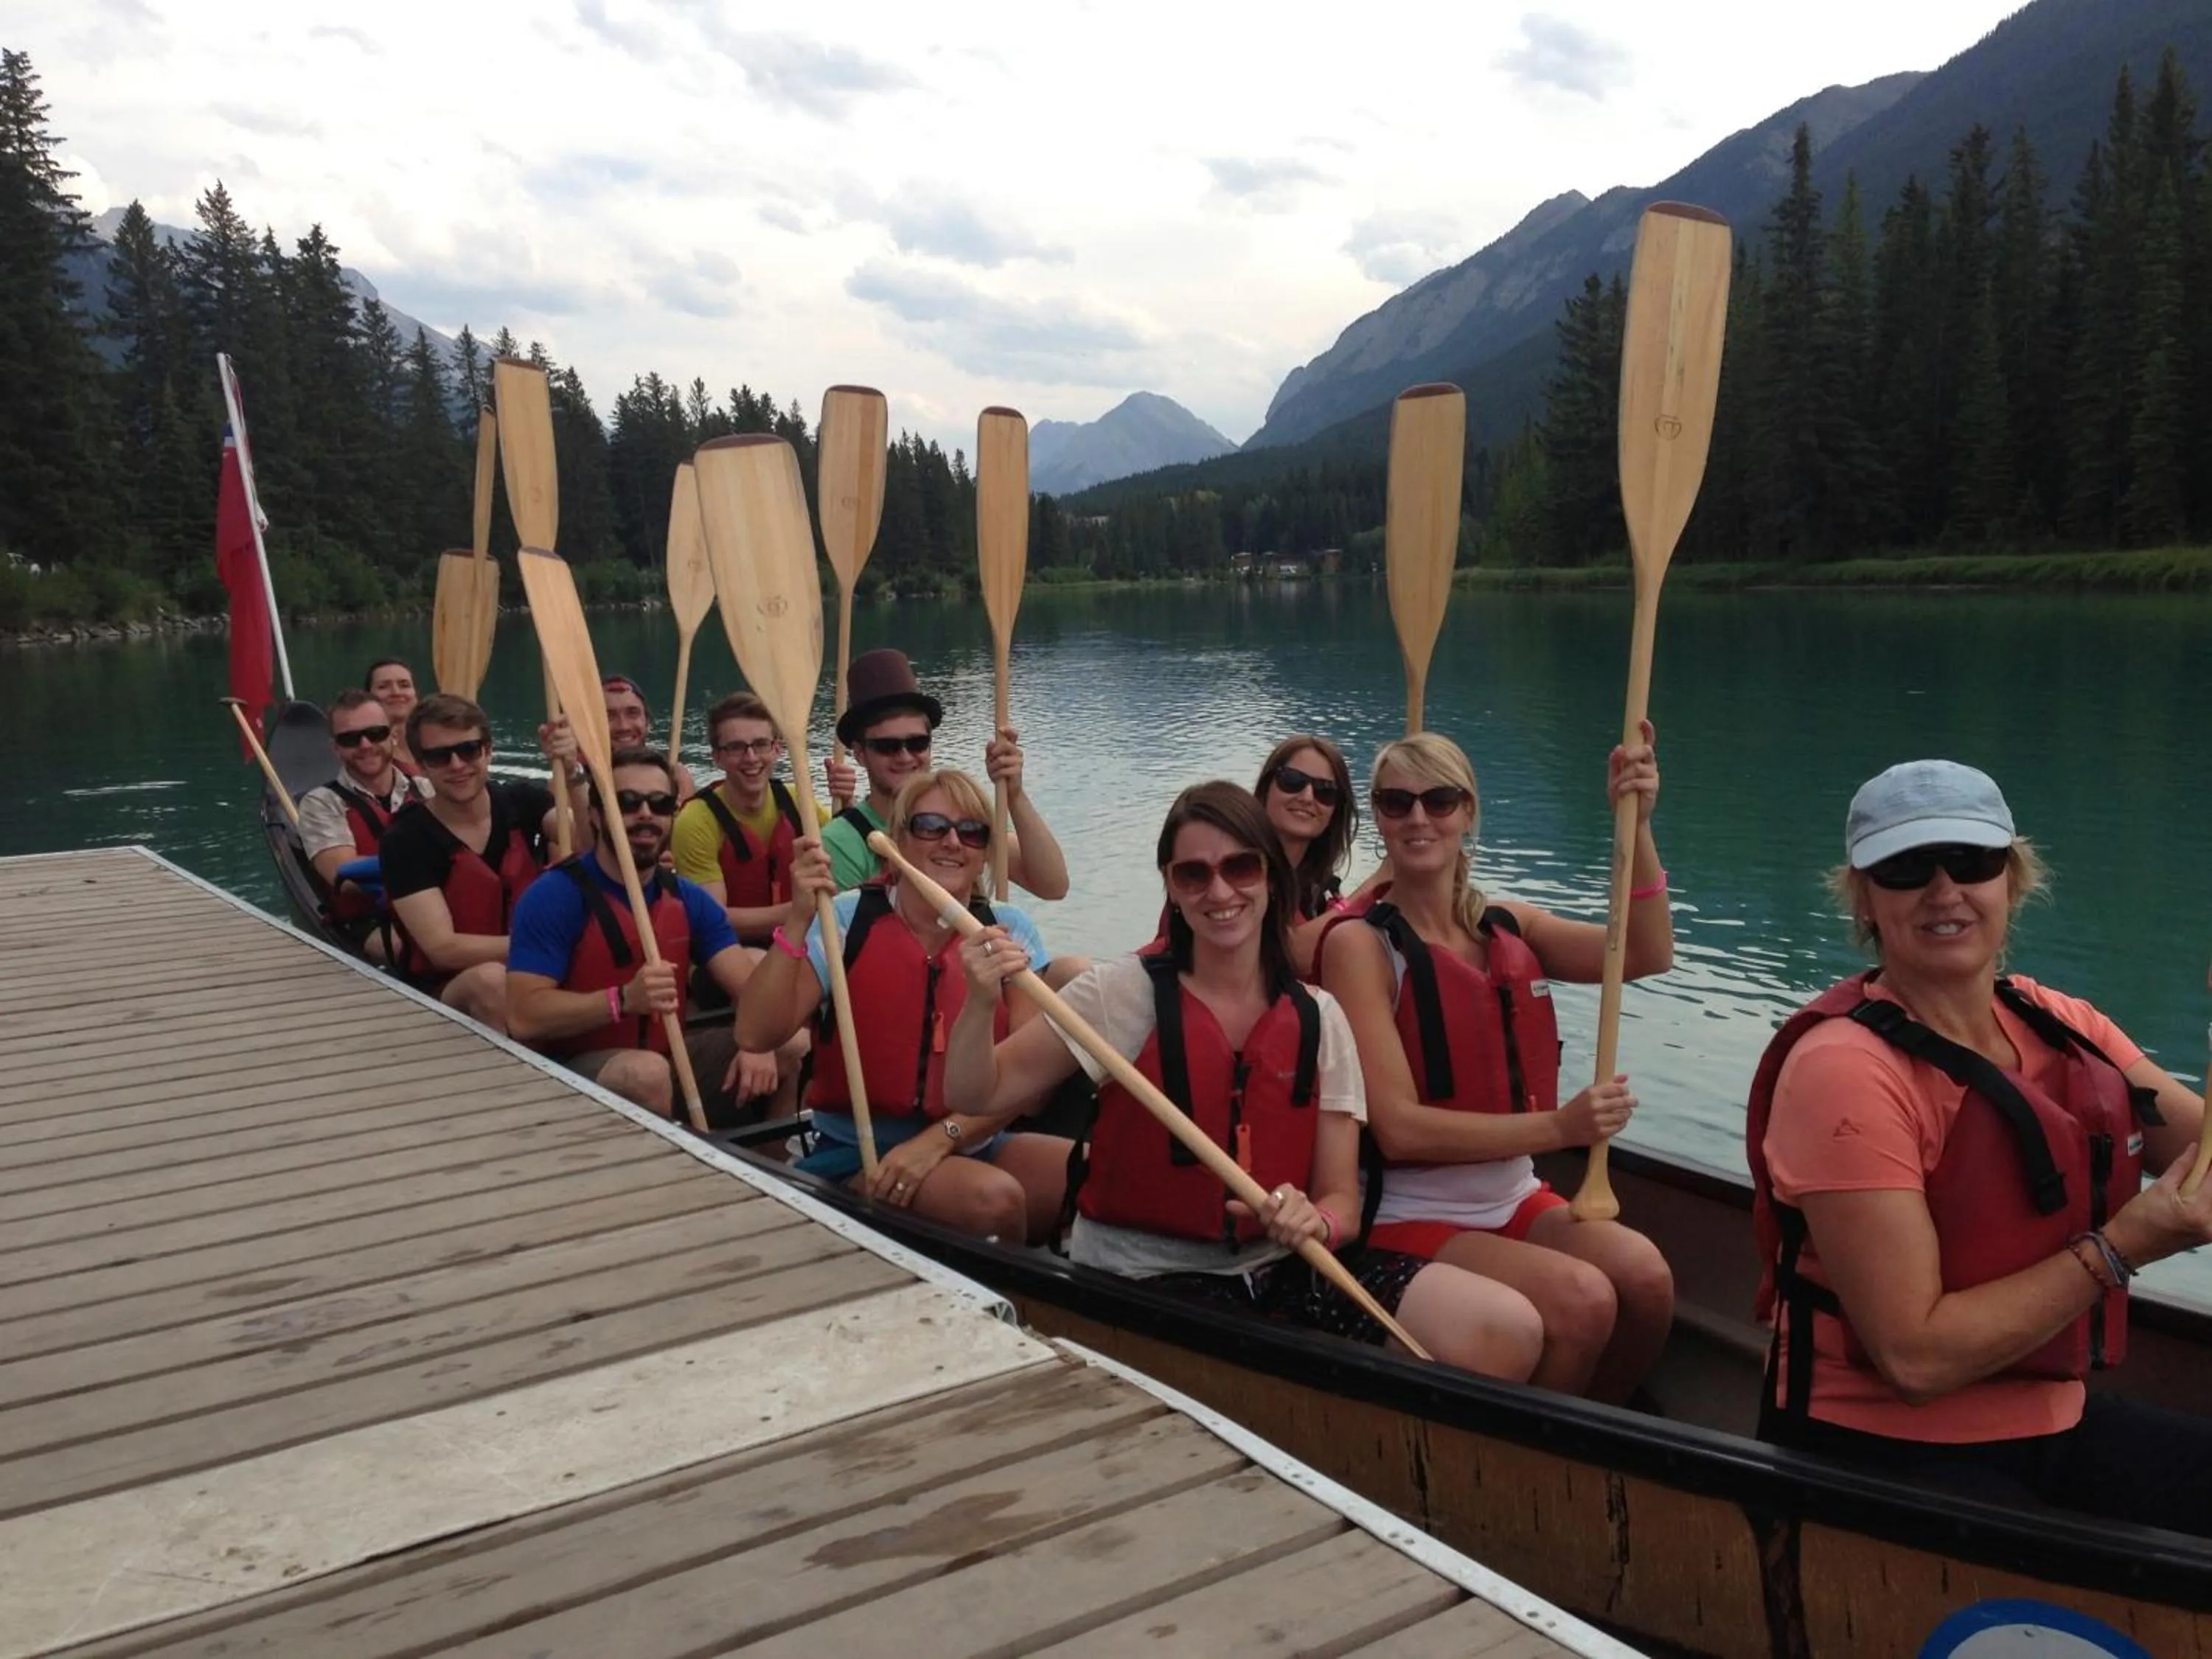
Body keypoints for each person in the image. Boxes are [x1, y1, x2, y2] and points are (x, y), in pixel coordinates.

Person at [943, 779, 1545, 1379]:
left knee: (1505, 1326)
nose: (1221, 891)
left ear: (1271, 878)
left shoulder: (1319, 1016)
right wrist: (977, 1003)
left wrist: (1321, 1221)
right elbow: (978, 1094)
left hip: (1279, 1270)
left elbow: (1342, 1200)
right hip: (1141, 1278)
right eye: (1193, 875)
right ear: (1172, 890)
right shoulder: (1122, 994)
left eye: (1241, 867)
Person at [1747, 759, 2212, 1534]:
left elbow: (2199, 1154)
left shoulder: (2059, 1020)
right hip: (1876, 1448)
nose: (1943, 891)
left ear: (2012, 878)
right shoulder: (1844, 1072)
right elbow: (1915, 1359)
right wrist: (2122, 1248)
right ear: (1863, 898)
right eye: (1904, 869)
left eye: (1971, 861)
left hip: (2051, 1420)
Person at [1317, 729, 1676, 1405]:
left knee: (1647, 1278)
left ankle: (1602, 1425)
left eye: (1439, 799)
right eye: (1397, 803)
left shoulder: (1510, 926)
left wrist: (1639, 823)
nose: (1419, 818)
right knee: (1582, 1301)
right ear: (1379, 819)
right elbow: (1399, 1131)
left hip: (1511, 1195)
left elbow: (1646, 953)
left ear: (1469, 812)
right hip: (1408, 1210)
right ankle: (1541, 1464)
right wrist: (1562, 1127)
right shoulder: (1360, 948)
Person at [737, 768, 1077, 1243]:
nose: (952, 842)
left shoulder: (1008, 929)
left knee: (1097, 1175)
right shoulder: (849, 919)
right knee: (992, 1200)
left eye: (972, 832)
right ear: (898, 839)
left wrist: (939, 1141)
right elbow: (756, 1034)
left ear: (985, 852)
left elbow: (1031, 1086)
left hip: (972, 1139)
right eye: (931, 826)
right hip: (859, 1151)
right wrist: (797, 919)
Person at [507, 747, 787, 1124]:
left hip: (667, 1057)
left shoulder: (685, 897)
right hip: (569, 1075)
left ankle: (774, 1173)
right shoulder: (553, 896)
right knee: (646, 1073)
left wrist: (760, 1039)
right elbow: (523, 1016)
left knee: (790, 1042)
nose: (645, 814)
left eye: (659, 804)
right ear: (595, 814)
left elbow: (748, 988)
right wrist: (621, 999)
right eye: (627, 803)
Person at [378, 693, 587, 1028]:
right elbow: (443, 949)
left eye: (468, 750)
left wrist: (573, 772)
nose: (458, 765)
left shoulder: (522, 802)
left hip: (537, 970)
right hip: (449, 991)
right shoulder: (404, 840)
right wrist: (543, 944)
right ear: (422, 764)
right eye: (440, 756)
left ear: (487, 751)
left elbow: (588, 845)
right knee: (490, 980)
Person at [818, 648, 1068, 898]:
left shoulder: (956, 815)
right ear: (860, 753)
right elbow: (848, 931)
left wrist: (1015, 794)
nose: (905, 757)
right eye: (888, 747)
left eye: (917, 743)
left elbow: (1053, 886)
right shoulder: (841, 842)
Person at [671, 692, 814, 946]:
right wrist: (799, 912)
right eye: (736, 747)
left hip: (798, 941)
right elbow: (714, 919)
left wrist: (845, 804)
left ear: (776, 749)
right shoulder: (695, 822)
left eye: (760, 744)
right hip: (728, 950)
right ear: (717, 757)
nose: (751, 758)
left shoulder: (798, 801)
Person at [296, 689, 429, 958]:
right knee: (413, 947)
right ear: (336, 748)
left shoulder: (426, 789)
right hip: (373, 918)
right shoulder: (321, 803)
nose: (366, 745)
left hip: (436, 903)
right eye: (350, 739)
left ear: (393, 736)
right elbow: (343, 877)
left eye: (376, 733)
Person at [602, 674, 698, 800]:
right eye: (609, 716)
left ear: (648, 722)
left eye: (633, 713)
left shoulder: (675, 777)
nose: (623, 726)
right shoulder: (575, 779)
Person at [365, 658, 422, 773]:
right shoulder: (364, 750)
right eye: (383, 687)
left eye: (404, 685)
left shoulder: (433, 743)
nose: (396, 692)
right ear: (369, 696)